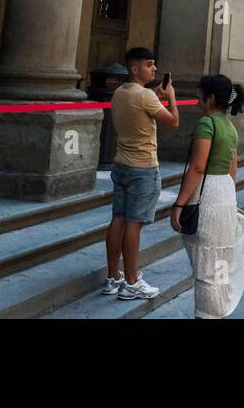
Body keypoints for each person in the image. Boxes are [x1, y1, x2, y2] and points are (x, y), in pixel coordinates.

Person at [171, 75, 244, 318]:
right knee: (219, 267)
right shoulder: (229, 125)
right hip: (225, 194)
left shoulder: (207, 124)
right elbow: (233, 169)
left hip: (208, 197)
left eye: (200, 94)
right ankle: (218, 312)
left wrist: (179, 204)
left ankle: (206, 315)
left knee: (207, 269)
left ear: (211, 97)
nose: (196, 98)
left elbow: (197, 167)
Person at [102, 47, 179, 300]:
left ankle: (114, 277)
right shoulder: (145, 96)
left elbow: (138, 108)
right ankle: (133, 281)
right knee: (134, 224)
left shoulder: (120, 92)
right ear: (135, 69)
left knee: (118, 219)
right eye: (149, 64)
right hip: (143, 167)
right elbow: (173, 121)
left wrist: (154, 95)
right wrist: (171, 97)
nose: (154, 69)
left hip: (121, 163)